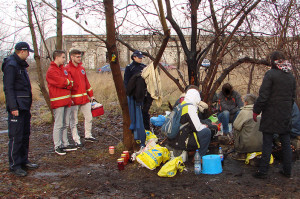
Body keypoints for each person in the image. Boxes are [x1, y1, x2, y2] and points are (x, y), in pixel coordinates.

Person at [252, 51, 296, 179]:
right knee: (286, 142)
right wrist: (287, 110)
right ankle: (287, 171)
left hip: (271, 114)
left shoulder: (270, 74)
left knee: (267, 142)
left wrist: (256, 110)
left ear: (273, 61)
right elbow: (292, 98)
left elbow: (263, 96)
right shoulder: (291, 76)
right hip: (285, 114)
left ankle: (263, 171)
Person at [2, 42, 38, 177]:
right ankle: (15, 164)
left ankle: (23, 160)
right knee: (16, 136)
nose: (29, 55)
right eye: (28, 52)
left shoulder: (21, 65)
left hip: (24, 106)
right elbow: (8, 88)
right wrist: (13, 107)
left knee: (24, 135)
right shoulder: (11, 65)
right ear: (22, 51)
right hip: (17, 107)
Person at [46, 50, 78, 155]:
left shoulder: (64, 70)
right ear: (57, 57)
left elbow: (70, 82)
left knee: (65, 124)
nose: (65, 59)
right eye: (63, 57)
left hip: (67, 100)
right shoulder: (51, 71)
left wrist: (67, 83)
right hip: (58, 101)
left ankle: (65, 143)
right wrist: (66, 83)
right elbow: (60, 82)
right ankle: (57, 146)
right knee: (59, 124)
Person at [65, 49, 97, 147]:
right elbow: (68, 85)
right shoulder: (67, 69)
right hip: (74, 100)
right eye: (77, 56)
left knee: (89, 117)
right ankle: (76, 139)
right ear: (72, 57)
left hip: (84, 98)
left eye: (80, 56)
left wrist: (91, 94)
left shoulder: (81, 68)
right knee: (74, 120)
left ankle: (88, 135)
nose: (79, 58)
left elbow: (86, 82)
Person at [168, 88, 211, 157]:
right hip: (181, 140)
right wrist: (205, 126)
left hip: (174, 138)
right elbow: (197, 128)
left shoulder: (182, 104)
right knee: (206, 132)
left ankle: (192, 152)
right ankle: (199, 157)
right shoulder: (190, 107)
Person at [124, 50, 153, 131]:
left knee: (145, 112)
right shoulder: (129, 67)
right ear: (134, 57)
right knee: (134, 112)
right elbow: (126, 81)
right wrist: (128, 92)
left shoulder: (144, 67)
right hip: (133, 93)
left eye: (141, 58)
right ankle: (136, 129)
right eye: (139, 57)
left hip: (144, 93)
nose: (141, 59)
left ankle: (147, 129)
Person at [232, 94, 262, 160]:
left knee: (236, 129)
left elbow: (236, 126)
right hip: (261, 144)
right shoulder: (261, 111)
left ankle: (241, 153)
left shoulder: (244, 112)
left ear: (246, 102)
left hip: (246, 145)